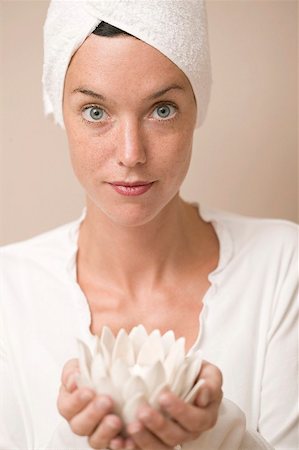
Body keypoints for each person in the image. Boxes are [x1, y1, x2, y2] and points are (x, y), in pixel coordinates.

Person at [0, 1, 298, 449]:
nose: (131, 153)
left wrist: (217, 432)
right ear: (61, 111)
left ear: (197, 107)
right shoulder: (10, 293)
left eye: (162, 109)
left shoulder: (282, 267)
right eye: (96, 112)